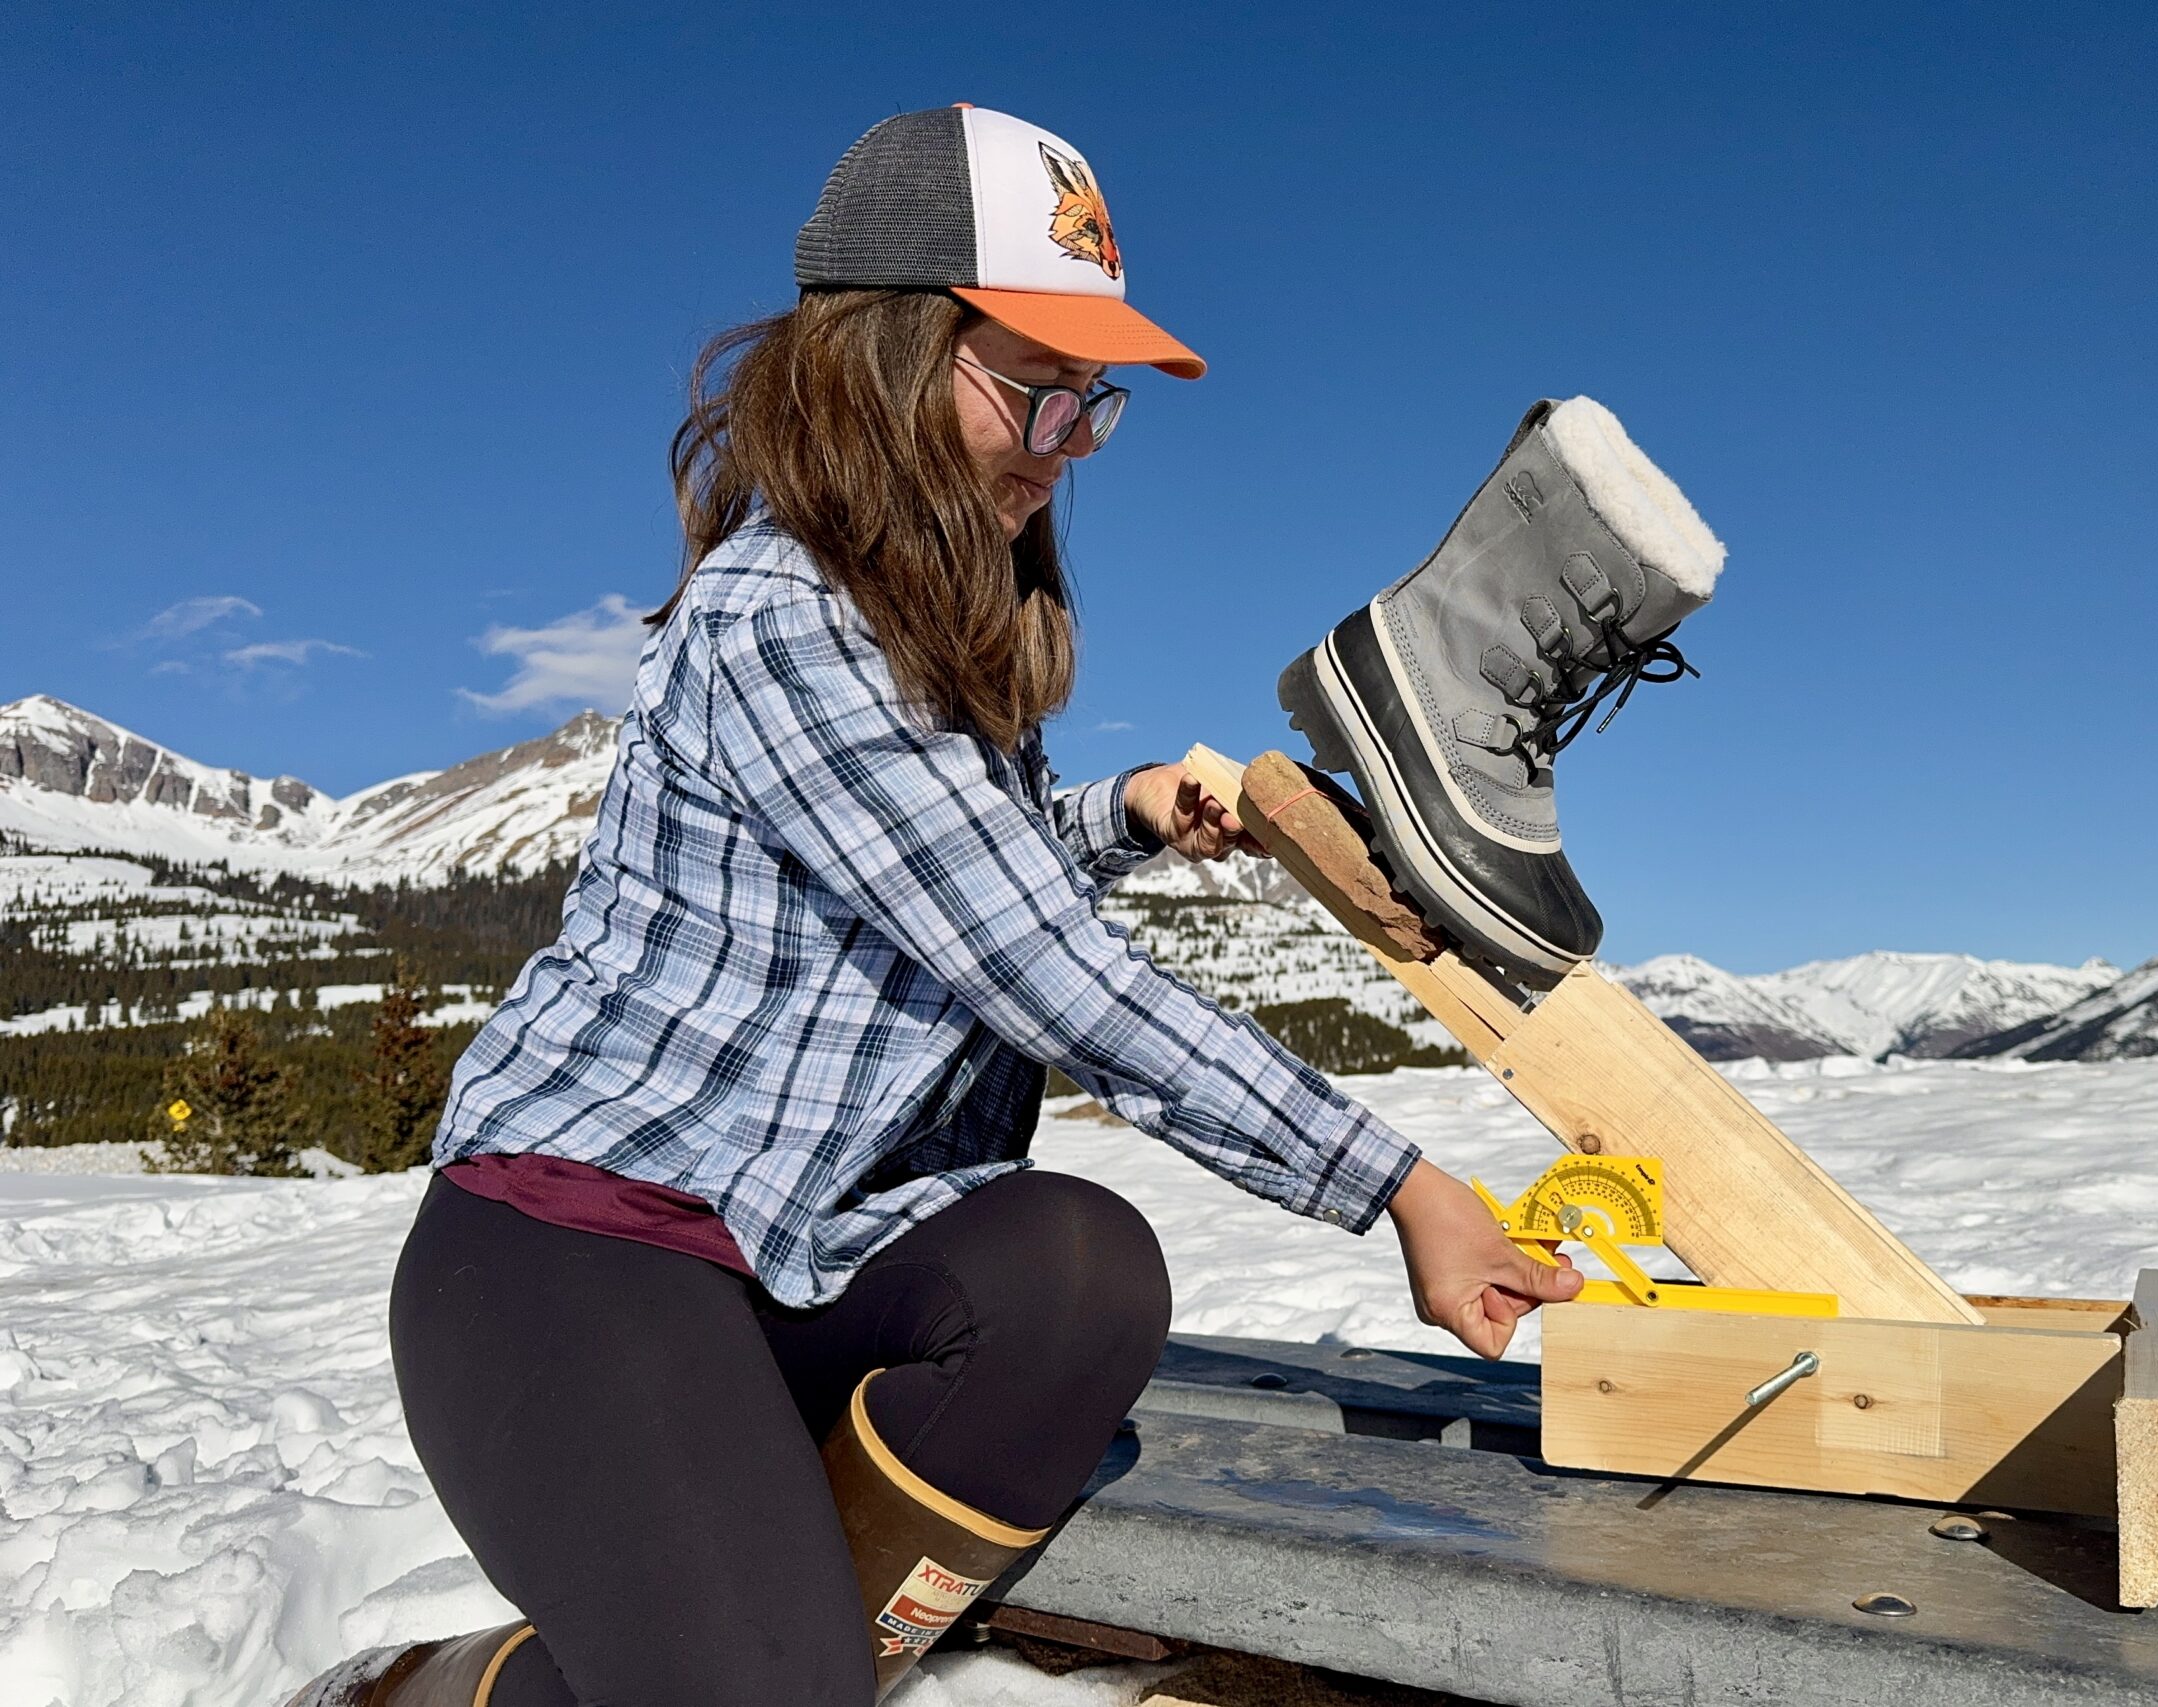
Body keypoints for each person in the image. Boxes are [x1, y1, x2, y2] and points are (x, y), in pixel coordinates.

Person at [289, 104, 1579, 1707]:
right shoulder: (782, 620)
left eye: (1087, 406)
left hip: (807, 1243)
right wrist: (1395, 1183)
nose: (1060, 449)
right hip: (584, 1248)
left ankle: (737, 1641)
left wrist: (1112, 816)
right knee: (764, 1690)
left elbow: (959, 856)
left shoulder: (931, 633)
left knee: (1080, 1268)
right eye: (1032, 390)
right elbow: (1036, 968)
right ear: (882, 360)